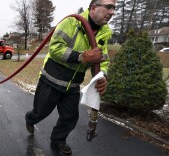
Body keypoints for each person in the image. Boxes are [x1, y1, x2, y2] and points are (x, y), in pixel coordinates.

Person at [25, 0, 116, 154]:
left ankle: (58, 140)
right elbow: (55, 48)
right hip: (51, 80)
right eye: (108, 7)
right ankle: (30, 118)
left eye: (114, 8)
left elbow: (103, 59)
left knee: (70, 117)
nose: (112, 12)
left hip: (73, 85)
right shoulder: (71, 22)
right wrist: (82, 57)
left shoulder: (104, 33)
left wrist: (102, 76)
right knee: (41, 111)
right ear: (94, 7)